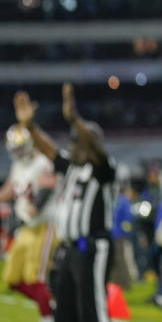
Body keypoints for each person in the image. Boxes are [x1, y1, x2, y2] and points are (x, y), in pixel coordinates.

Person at [17, 82, 116, 322]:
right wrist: (29, 126)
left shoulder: (103, 170)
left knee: (92, 309)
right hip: (71, 248)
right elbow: (49, 149)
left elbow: (93, 145)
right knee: (66, 312)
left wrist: (73, 118)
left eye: (77, 141)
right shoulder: (72, 168)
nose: (72, 145)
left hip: (93, 246)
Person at [1, 96, 57, 322]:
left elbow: (47, 188)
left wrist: (35, 206)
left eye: (21, 147)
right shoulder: (18, 165)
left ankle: (48, 317)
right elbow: (8, 191)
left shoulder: (42, 162)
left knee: (36, 277)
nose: (17, 152)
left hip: (43, 226)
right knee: (12, 277)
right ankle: (51, 303)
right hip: (26, 228)